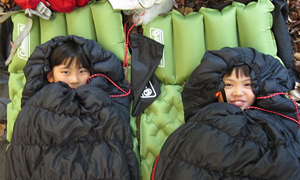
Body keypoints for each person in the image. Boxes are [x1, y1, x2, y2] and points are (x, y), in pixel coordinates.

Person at [151, 47, 300, 180]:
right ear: (214, 87)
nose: (238, 93)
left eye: (247, 84)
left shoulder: (275, 124)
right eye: (228, 85)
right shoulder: (206, 120)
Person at [5, 35, 139, 180]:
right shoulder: (37, 105)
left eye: (82, 71)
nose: (75, 79)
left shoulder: (103, 101)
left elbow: (119, 144)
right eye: (66, 72)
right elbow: (21, 152)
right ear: (50, 76)